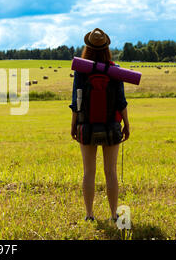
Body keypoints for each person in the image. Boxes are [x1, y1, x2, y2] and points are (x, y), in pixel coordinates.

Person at [69, 28, 130, 222]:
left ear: (87, 48)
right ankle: (113, 215)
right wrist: (126, 124)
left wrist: (74, 125)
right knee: (111, 172)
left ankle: (89, 215)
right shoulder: (115, 69)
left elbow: (76, 101)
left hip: (86, 126)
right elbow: (121, 101)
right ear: (107, 48)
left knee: (89, 172)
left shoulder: (81, 70)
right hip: (112, 126)